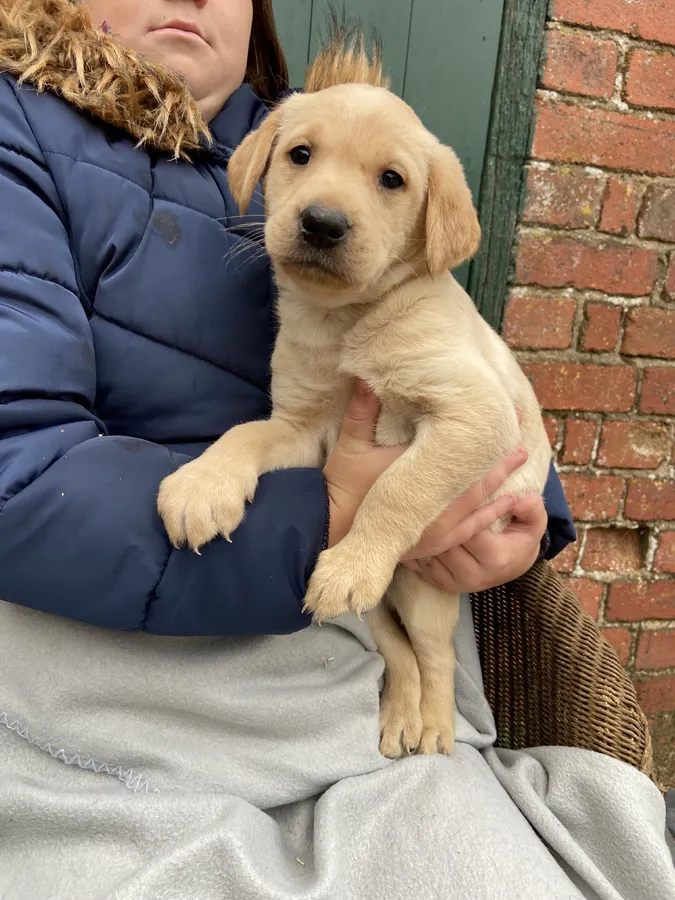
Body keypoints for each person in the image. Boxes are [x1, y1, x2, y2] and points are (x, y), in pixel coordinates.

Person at [0, 2, 671, 899]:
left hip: (386, 591)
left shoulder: (307, 120)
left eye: (387, 182)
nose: (326, 204)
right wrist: (328, 503)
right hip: (130, 653)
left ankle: (421, 682)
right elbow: (31, 466)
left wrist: (526, 521)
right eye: (302, 163)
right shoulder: (28, 135)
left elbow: (485, 421)